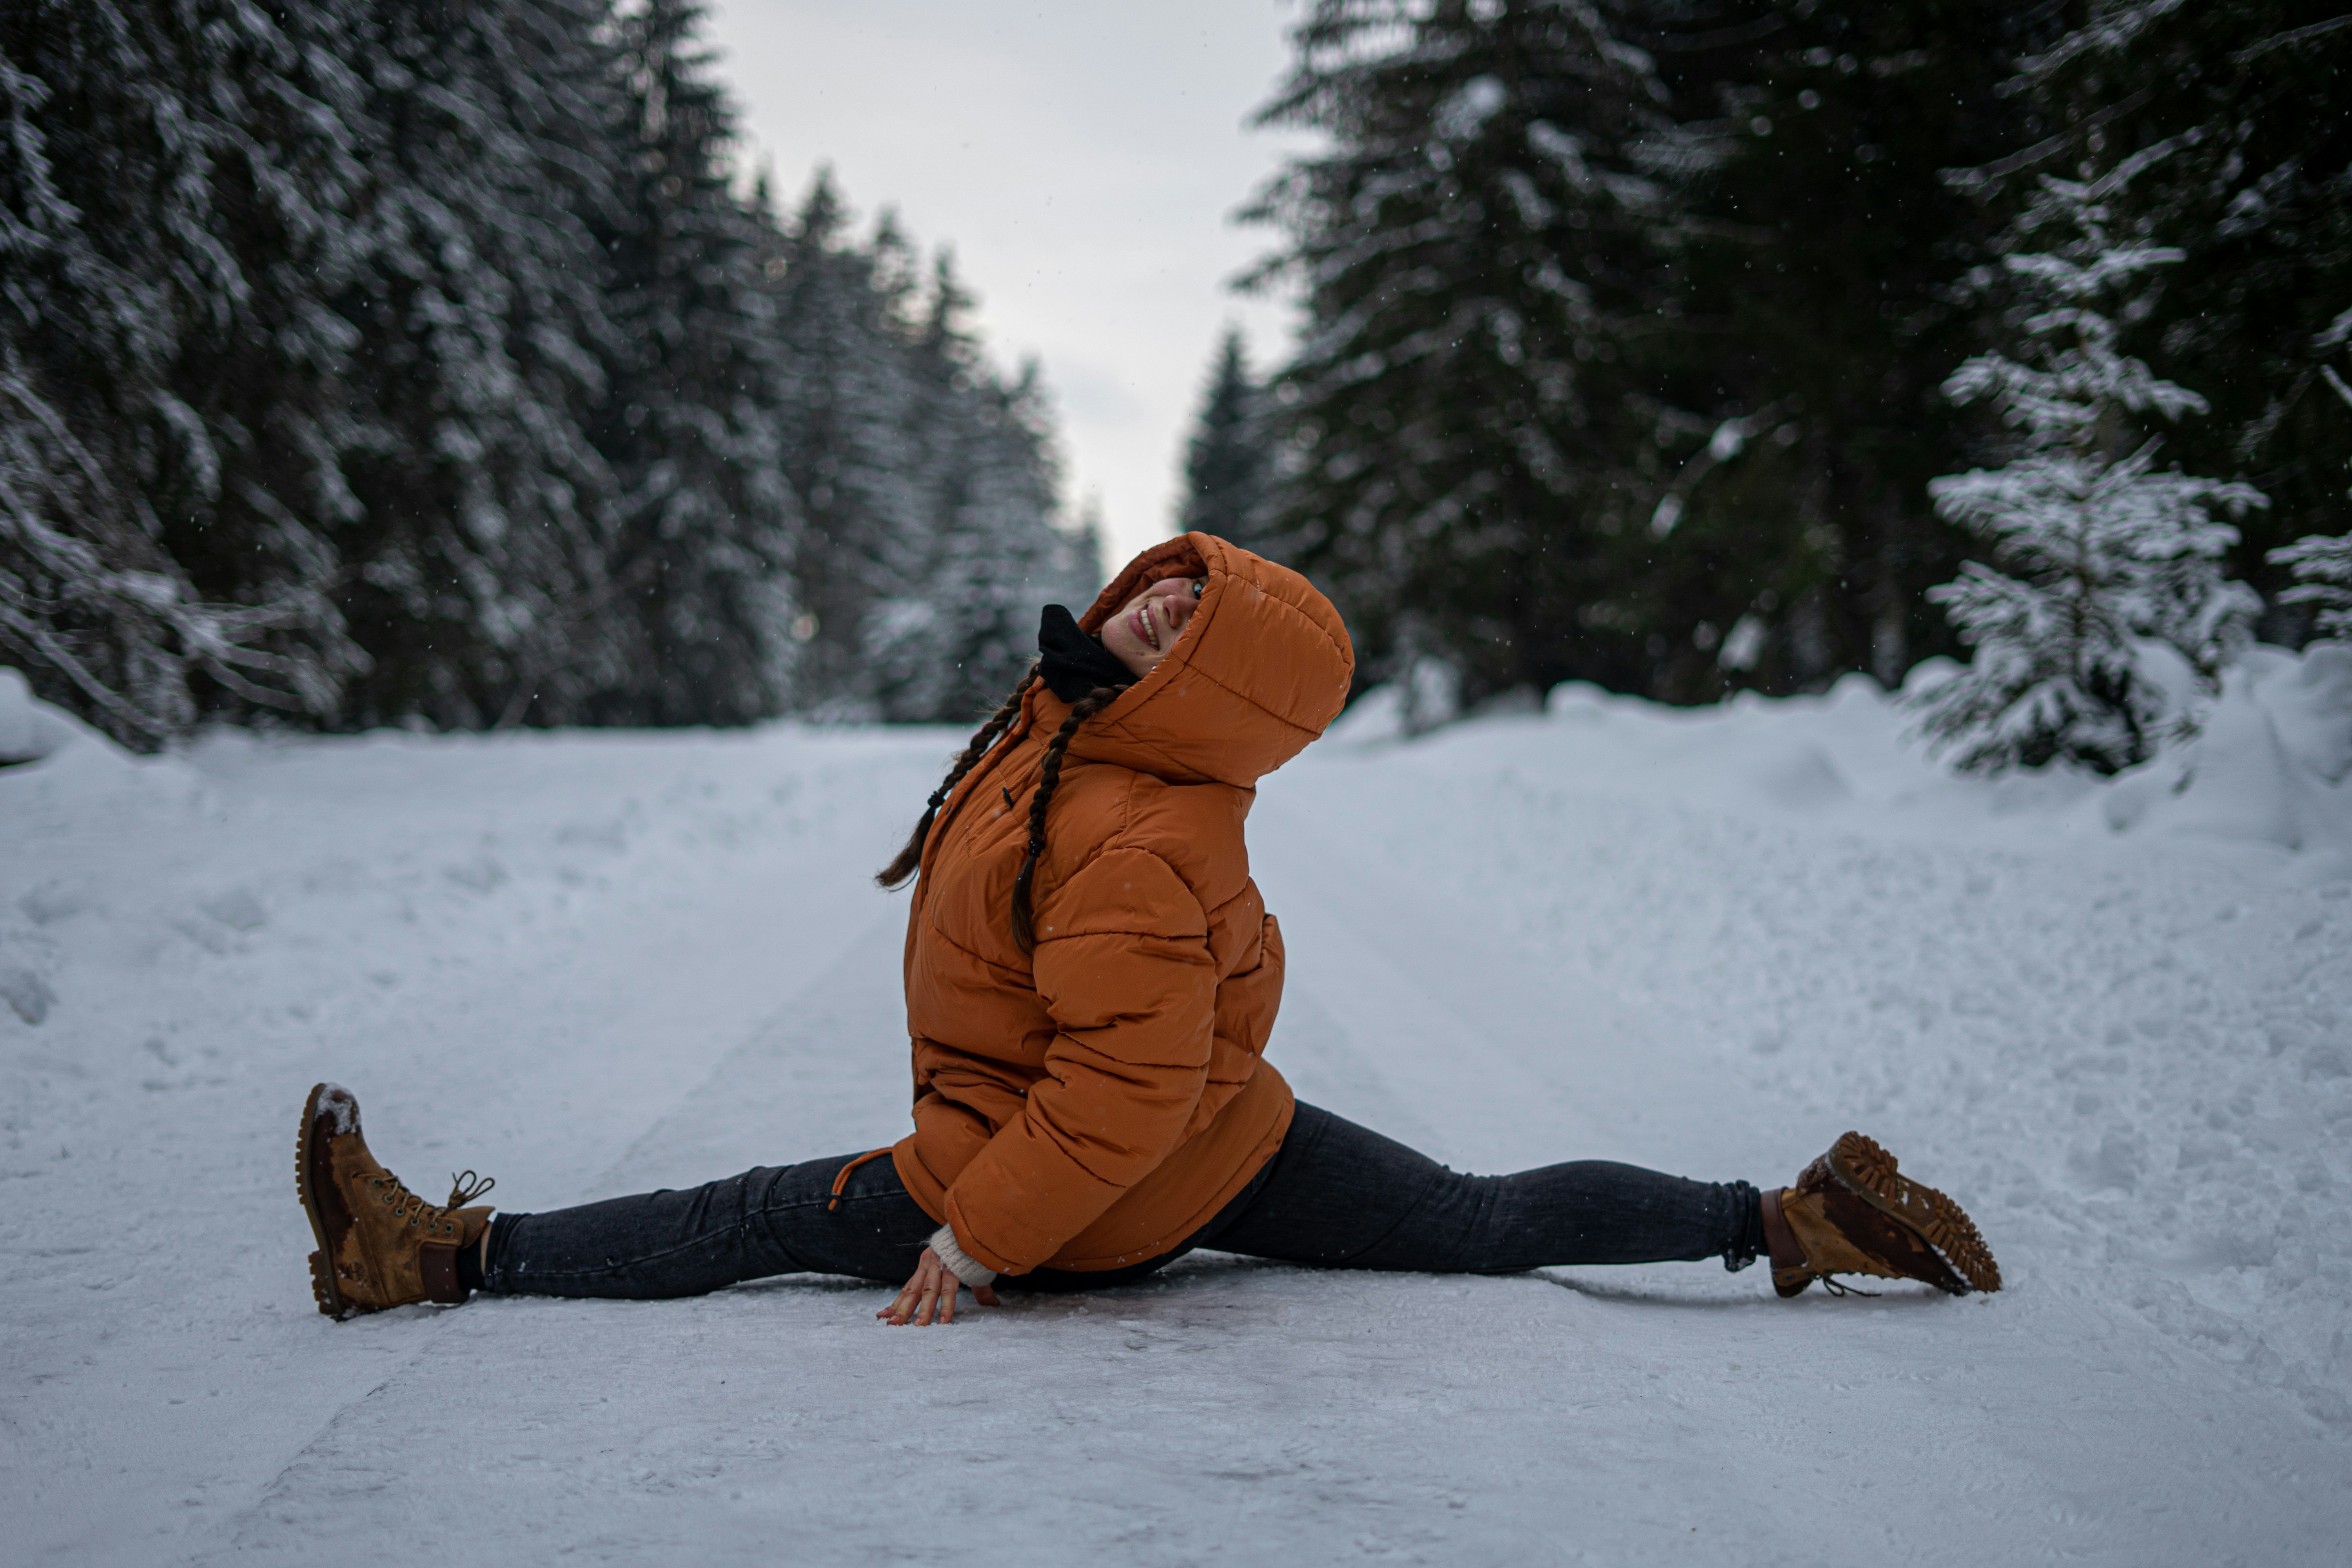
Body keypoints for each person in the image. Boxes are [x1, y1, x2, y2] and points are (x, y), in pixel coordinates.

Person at [296, 534, 1999, 1326]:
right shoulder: (1084, 742)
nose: (1147, 609)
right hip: (1224, 1143)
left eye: (1183, 626)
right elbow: (1193, 1031)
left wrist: (980, 1238)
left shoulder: (1123, 812)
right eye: (1161, 590)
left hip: (1058, 1177)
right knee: (1477, 1217)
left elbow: (1120, 1079)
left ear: (1203, 696)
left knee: (751, 1215)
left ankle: (438, 1257)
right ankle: (1787, 1221)